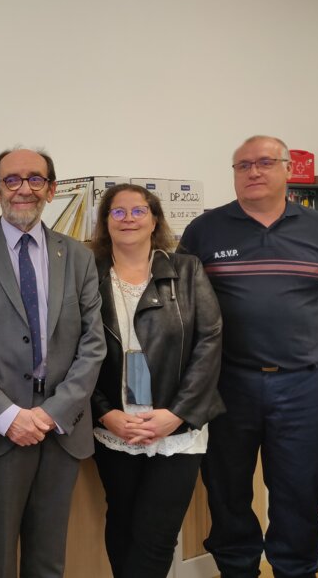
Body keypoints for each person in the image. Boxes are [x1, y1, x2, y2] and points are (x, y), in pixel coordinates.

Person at [179, 135, 318, 578]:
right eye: (242, 166)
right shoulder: (205, 230)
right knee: (226, 489)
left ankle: (296, 568)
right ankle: (237, 568)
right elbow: (182, 303)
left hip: (302, 384)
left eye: (264, 163)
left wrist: (295, 338)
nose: (253, 172)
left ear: (286, 169)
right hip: (225, 384)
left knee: (299, 490)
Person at [0, 147, 105, 578]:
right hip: (0, 428)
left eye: (35, 179)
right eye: (12, 180)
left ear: (51, 190)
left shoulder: (78, 256)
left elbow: (93, 344)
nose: (23, 189)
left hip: (62, 427)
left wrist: (52, 414)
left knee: (49, 556)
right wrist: (7, 415)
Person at [89, 184, 223, 578]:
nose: (128, 219)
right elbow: (76, 352)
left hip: (175, 429)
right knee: (123, 522)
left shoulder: (186, 269)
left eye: (138, 211)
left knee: (157, 533)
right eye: (117, 212)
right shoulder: (88, 274)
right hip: (116, 426)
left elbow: (210, 341)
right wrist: (104, 413)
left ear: (155, 220)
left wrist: (178, 414)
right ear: (105, 223)